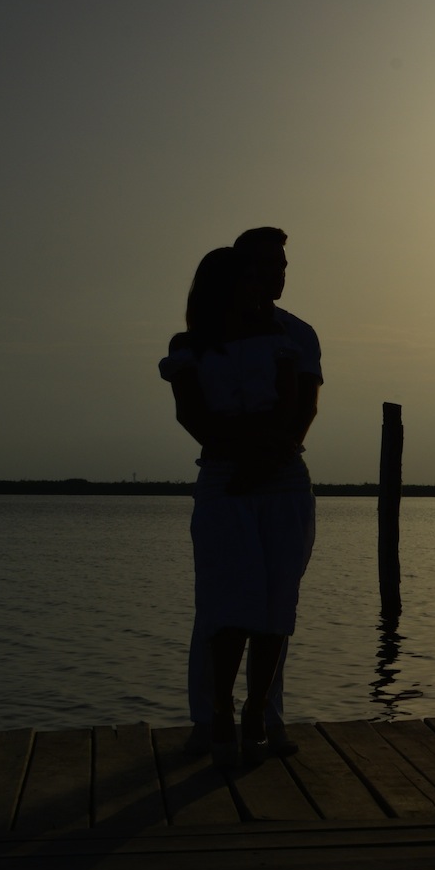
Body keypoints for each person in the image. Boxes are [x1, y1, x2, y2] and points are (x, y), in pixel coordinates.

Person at [160, 228, 322, 764]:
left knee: (277, 602)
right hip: (227, 479)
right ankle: (212, 719)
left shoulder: (292, 336)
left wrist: (264, 460)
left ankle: (262, 716)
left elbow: (298, 409)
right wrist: (240, 459)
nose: (272, 277)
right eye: (260, 267)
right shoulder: (191, 346)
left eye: (279, 266)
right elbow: (193, 415)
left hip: (278, 476)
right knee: (225, 603)